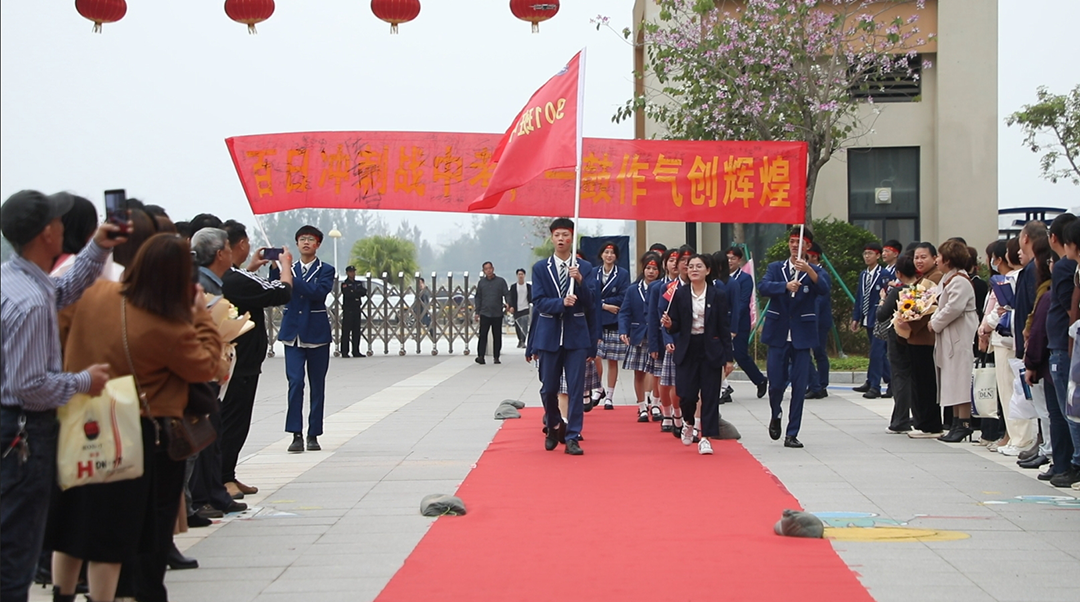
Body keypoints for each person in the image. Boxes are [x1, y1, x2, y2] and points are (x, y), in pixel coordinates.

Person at [51, 233, 224, 602]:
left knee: (74, 517)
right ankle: (133, 593)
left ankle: (62, 594)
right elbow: (208, 366)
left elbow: (61, 327)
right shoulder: (167, 324)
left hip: (81, 419)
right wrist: (198, 315)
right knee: (135, 527)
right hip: (141, 432)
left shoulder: (93, 295)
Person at [1, 190, 117, 602]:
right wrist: (83, 381)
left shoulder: (15, 279)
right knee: (16, 547)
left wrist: (98, 247)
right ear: (48, 232)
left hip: (13, 429)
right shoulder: (32, 301)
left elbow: (63, 288)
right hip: (22, 431)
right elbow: (29, 385)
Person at [220, 220, 293, 499]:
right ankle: (223, 478)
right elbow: (282, 292)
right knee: (234, 421)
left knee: (232, 421)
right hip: (239, 363)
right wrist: (286, 265)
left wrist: (250, 269)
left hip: (236, 360)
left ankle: (228, 475)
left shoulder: (227, 278)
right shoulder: (233, 279)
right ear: (239, 245)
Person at [188, 228, 247, 517]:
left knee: (214, 429)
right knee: (204, 431)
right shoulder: (201, 283)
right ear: (220, 253)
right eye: (228, 247)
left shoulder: (213, 281)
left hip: (213, 366)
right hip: (201, 368)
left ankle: (214, 491)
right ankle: (202, 496)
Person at [758, 226, 829, 448]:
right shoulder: (776, 268)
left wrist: (809, 270)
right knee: (776, 384)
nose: (794, 245)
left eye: (799, 242)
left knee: (799, 385)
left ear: (807, 246)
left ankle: (792, 432)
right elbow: (763, 287)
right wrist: (784, 286)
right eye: (791, 241)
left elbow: (825, 289)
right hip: (778, 333)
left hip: (802, 335)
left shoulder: (814, 271)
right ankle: (776, 413)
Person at [531, 218, 598, 455]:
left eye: (566, 235)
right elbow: (538, 302)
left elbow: (591, 303)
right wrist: (561, 302)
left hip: (576, 337)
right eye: (557, 235)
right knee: (549, 388)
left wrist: (579, 281)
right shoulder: (541, 268)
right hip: (550, 336)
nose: (561, 239)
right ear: (551, 238)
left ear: (572, 238)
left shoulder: (585, 268)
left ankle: (572, 436)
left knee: (576, 389)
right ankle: (553, 424)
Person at [660, 253, 734, 455]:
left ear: (707, 270)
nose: (693, 269)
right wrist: (669, 325)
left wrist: (729, 358)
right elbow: (674, 326)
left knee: (710, 395)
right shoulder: (680, 293)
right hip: (687, 348)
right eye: (690, 266)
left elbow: (723, 327)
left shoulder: (717, 295)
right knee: (686, 394)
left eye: (698, 266)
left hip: (710, 348)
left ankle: (705, 438)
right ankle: (689, 422)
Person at [274, 226, 335, 453]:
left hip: (317, 334)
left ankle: (314, 434)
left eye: (311, 239)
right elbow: (279, 289)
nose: (306, 242)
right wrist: (277, 268)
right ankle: (295, 433)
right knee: (295, 382)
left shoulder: (326, 270)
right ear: (297, 244)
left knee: (317, 386)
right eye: (302, 239)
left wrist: (288, 273)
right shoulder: (288, 268)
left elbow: (317, 293)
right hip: (293, 336)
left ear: (318, 244)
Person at [924, 240, 979, 442]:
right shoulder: (949, 278)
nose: (937, 260)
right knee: (952, 379)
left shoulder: (960, 281)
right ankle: (956, 421)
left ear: (948, 260)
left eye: (939, 256)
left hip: (960, 335)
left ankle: (964, 423)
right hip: (950, 336)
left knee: (960, 379)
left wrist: (934, 322)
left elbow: (953, 308)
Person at [1044, 214, 1080, 487]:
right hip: (1061, 344)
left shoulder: (1066, 267)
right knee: (1062, 408)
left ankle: (1070, 463)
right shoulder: (1068, 266)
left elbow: (1071, 308)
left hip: (1065, 345)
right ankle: (1064, 462)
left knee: (1069, 408)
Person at [903, 243, 944, 438]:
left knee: (927, 383)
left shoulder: (935, 278)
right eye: (916, 257)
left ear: (935, 258)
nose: (919, 261)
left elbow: (924, 310)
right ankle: (921, 421)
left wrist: (908, 323)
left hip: (926, 338)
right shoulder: (924, 278)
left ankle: (930, 423)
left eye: (923, 257)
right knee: (919, 382)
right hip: (916, 339)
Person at [878, 254, 920, 433]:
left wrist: (882, 298)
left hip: (898, 337)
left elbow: (881, 315)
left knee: (900, 378)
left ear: (899, 273)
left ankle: (900, 420)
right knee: (913, 378)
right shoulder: (922, 289)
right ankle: (914, 417)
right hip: (917, 337)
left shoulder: (898, 291)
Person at [620, 252, 661, 422]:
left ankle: (657, 404)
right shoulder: (632, 289)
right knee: (639, 373)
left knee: (657, 372)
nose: (651, 272)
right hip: (638, 335)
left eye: (655, 269)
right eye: (648, 268)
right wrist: (623, 330)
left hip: (656, 336)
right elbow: (624, 312)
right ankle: (642, 406)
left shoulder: (662, 288)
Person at [648, 248, 684, 432]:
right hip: (665, 339)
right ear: (666, 264)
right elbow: (655, 317)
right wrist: (655, 343)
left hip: (685, 339)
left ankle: (679, 413)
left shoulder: (693, 284)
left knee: (680, 382)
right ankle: (667, 412)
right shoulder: (661, 287)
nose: (677, 264)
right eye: (672, 260)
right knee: (665, 379)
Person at [726, 246, 768, 399]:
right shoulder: (721, 277)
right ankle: (723, 389)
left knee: (740, 354)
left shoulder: (744, 278)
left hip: (740, 322)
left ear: (739, 260)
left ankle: (760, 380)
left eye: (733, 258)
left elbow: (743, 302)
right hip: (722, 322)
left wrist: (732, 319)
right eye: (728, 258)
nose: (730, 261)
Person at [851, 242, 891, 398]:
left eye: (870, 253)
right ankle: (892, 381)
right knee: (878, 354)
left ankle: (875, 386)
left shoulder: (884, 274)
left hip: (879, 319)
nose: (867, 256)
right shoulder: (863, 275)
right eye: (865, 253)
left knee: (876, 352)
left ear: (878, 256)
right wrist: (856, 317)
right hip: (867, 318)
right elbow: (859, 297)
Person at [593, 243, 630, 408]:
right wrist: (604, 305)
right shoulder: (594, 272)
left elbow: (623, 297)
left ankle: (609, 395)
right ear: (601, 255)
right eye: (606, 252)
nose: (609, 255)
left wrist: (602, 303)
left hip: (614, 321)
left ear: (616, 256)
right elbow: (589, 295)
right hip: (597, 319)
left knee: (613, 360)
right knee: (596, 356)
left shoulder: (622, 274)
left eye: (612, 253)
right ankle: (597, 388)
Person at [805, 243, 832, 399]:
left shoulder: (821, 274)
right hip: (810, 319)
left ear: (814, 256)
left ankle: (821, 384)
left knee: (819, 352)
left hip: (819, 320)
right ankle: (814, 384)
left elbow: (820, 299)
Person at [473, 261, 509, 365]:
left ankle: (496, 357)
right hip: (485, 312)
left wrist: (508, 303)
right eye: (486, 269)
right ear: (483, 271)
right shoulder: (481, 283)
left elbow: (506, 293)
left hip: (497, 312)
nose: (488, 270)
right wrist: (477, 312)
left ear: (493, 268)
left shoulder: (500, 281)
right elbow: (478, 297)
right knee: (482, 335)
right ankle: (481, 356)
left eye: (490, 268)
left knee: (497, 335)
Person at [340, 266, 367, 358]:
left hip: (356, 308)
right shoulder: (345, 284)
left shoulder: (358, 283)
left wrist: (354, 291)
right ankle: (344, 351)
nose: (352, 273)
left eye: (353, 271)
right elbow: (348, 294)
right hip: (348, 309)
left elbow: (363, 292)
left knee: (356, 331)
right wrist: (356, 292)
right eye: (350, 272)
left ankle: (356, 351)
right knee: (346, 331)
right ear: (347, 273)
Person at [508, 268, 532, 348]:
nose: (520, 276)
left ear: (524, 275)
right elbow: (510, 297)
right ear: (517, 276)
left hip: (525, 308)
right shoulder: (514, 287)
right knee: (518, 325)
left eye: (522, 274)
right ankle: (520, 340)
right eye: (519, 274)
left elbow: (531, 297)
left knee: (524, 325)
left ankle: (523, 340)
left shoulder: (528, 286)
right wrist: (511, 306)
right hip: (516, 308)